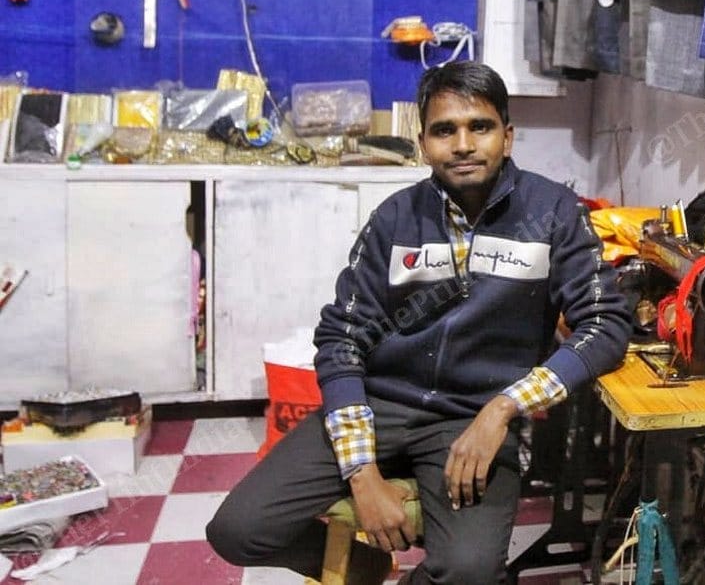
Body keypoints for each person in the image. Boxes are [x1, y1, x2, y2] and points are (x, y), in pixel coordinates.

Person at [207, 61, 632, 584]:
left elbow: (605, 324)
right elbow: (342, 337)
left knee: (468, 571)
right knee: (237, 529)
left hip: (472, 419)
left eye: (480, 126)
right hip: (380, 403)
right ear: (423, 141)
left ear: (508, 136)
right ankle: (365, 567)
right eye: (443, 130)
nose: (463, 144)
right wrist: (363, 475)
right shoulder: (395, 218)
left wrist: (504, 408)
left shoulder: (554, 212)